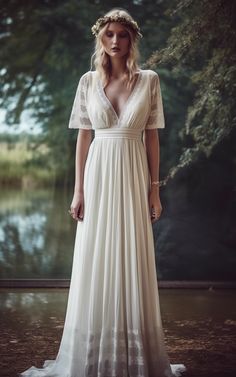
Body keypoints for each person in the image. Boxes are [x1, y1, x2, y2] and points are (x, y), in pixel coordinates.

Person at [19, 8, 187, 377]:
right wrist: (79, 191)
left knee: (132, 252)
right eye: (109, 34)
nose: (115, 41)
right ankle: (90, 354)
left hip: (131, 173)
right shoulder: (87, 82)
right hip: (98, 175)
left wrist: (154, 191)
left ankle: (136, 353)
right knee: (96, 255)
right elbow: (83, 137)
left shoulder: (149, 80)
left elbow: (152, 138)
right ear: (101, 38)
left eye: (122, 35)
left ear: (132, 40)